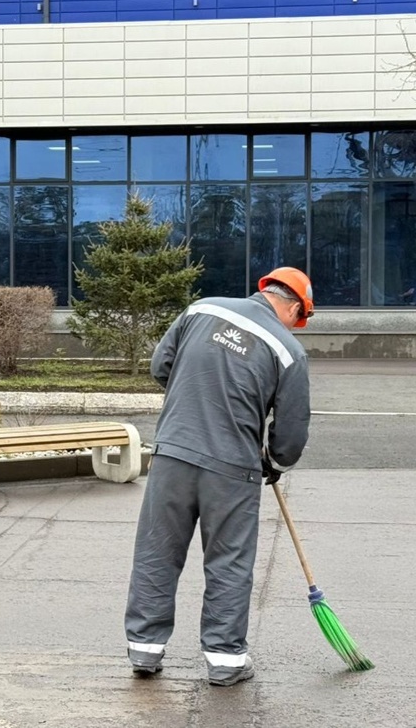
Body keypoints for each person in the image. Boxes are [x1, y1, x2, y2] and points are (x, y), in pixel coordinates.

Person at [124, 266, 314, 687]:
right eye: (299, 319)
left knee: (158, 551)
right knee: (229, 561)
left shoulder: (200, 309)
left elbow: (162, 367)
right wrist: (276, 460)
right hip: (231, 469)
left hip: (173, 453)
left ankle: (144, 649)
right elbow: (292, 429)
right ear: (294, 307)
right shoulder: (288, 351)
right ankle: (225, 661)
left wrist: (194, 399)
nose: (295, 326)